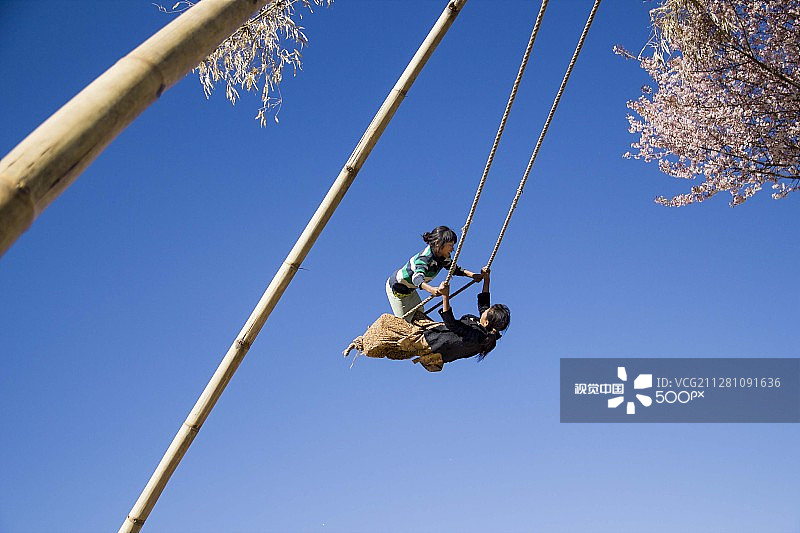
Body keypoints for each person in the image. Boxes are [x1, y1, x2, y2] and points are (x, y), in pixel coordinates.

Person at [344, 268, 510, 372]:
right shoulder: (486, 332)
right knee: (414, 316)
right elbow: (484, 306)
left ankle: (362, 343)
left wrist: (445, 296)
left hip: (431, 342)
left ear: (487, 322)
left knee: (386, 323)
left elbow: (452, 324)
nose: (484, 311)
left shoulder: (477, 337)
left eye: (487, 312)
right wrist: (487, 280)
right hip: (435, 333)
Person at [387, 226, 483, 321]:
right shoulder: (424, 258)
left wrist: (473, 275)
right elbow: (417, 278)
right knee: (406, 321)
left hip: (410, 290)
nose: (452, 248)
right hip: (397, 289)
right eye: (450, 245)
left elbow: (454, 269)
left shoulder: (443, 256)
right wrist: (431, 289)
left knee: (419, 313)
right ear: (438, 243)